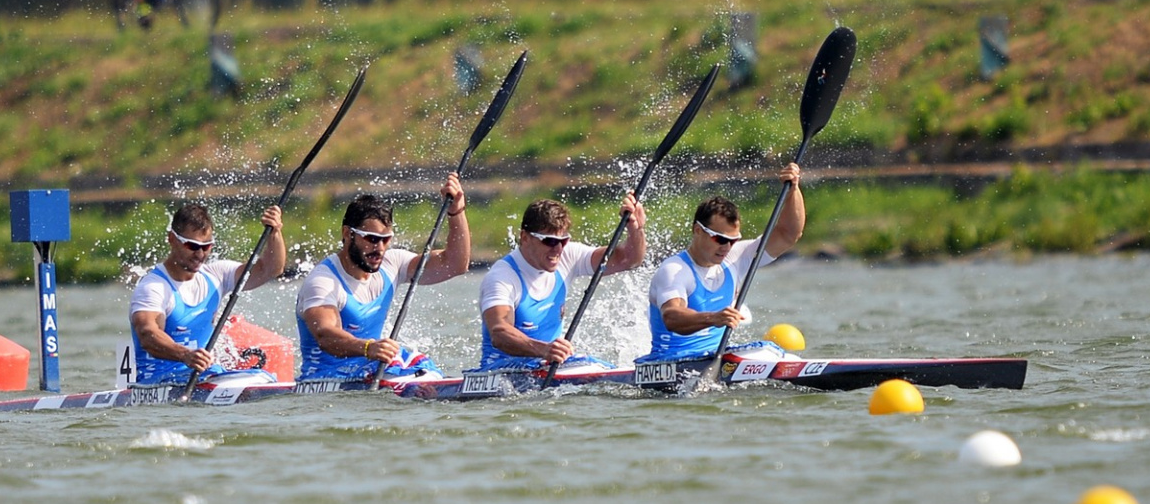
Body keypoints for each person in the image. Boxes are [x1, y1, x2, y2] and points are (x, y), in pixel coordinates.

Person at [296, 174, 470, 382]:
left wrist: (456, 211)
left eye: (386, 240)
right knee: (397, 365)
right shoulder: (324, 282)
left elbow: (455, 264)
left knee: (417, 362)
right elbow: (325, 335)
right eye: (371, 239)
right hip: (325, 377)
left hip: (369, 370)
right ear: (347, 234)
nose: (379, 249)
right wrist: (369, 347)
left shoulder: (392, 264)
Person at [636, 163, 805, 362]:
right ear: (698, 230)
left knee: (772, 351)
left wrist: (793, 189)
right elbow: (672, 317)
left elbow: (788, 234)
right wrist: (714, 318)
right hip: (670, 362)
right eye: (720, 239)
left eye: (733, 240)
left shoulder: (736, 257)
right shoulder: (674, 270)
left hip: (715, 358)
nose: (727, 247)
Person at [474, 194, 646, 372]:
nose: (557, 249)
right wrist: (545, 350)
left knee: (594, 364)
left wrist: (636, 229)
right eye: (549, 241)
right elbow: (499, 333)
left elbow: (628, 260)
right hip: (500, 370)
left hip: (545, 364)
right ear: (525, 237)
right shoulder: (502, 277)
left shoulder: (568, 256)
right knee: (587, 365)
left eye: (563, 241)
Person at [129, 203, 286, 385]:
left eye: (206, 246)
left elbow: (270, 269)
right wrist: (185, 355)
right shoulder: (153, 287)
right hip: (159, 381)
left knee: (265, 378)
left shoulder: (217, 275)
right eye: (192, 246)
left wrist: (275, 232)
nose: (200, 254)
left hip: (205, 377)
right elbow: (147, 335)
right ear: (172, 239)